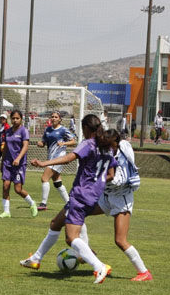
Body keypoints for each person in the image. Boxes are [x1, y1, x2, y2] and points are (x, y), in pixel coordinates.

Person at [20, 114, 117, 284]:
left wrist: (45, 163)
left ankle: (99, 266)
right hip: (93, 195)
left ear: (86, 128)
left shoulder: (88, 144)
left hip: (80, 195)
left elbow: (69, 158)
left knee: (71, 238)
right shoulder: (107, 147)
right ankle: (36, 259)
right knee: (55, 223)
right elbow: (111, 174)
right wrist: (96, 182)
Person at [89, 129, 152, 281]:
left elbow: (119, 180)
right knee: (77, 213)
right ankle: (87, 254)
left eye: (108, 144)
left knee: (120, 240)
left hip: (121, 199)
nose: (105, 147)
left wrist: (96, 178)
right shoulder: (108, 152)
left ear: (115, 144)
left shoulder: (122, 154)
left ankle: (144, 272)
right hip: (106, 197)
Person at [0, 110, 38, 218]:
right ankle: (6, 212)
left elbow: (25, 146)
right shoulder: (8, 131)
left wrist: (19, 158)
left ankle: (32, 203)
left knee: (18, 189)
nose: (15, 120)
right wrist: (2, 161)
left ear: (21, 119)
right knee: (5, 186)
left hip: (19, 164)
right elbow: (5, 147)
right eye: (13, 118)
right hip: (7, 163)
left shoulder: (24, 131)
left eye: (17, 118)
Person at [35, 111, 76, 211]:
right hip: (50, 158)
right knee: (57, 183)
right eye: (52, 117)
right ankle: (69, 203)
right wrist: (40, 143)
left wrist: (64, 144)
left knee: (44, 178)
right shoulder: (48, 130)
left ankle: (43, 203)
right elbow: (43, 142)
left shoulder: (63, 130)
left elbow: (74, 141)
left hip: (58, 158)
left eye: (56, 117)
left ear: (60, 119)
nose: (53, 118)